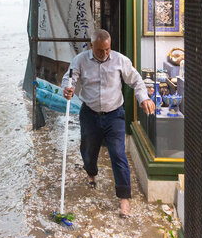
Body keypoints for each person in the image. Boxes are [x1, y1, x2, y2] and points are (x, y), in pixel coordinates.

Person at [61, 29, 155, 218]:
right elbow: (69, 77)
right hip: (90, 113)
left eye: (107, 50)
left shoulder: (120, 60)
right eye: (99, 50)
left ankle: (124, 198)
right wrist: (67, 88)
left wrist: (143, 98)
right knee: (88, 150)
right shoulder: (80, 60)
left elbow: (136, 81)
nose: (104, 54)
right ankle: (91, 173)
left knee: (118, 153)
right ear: (91, 46)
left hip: (114, 114)